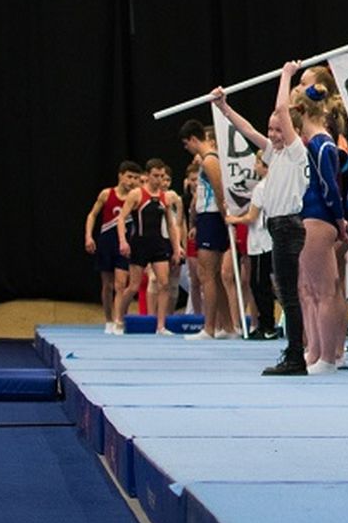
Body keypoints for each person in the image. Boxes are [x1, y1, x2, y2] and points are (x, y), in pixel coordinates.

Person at [216, 62, 312, 375]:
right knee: (286, 293)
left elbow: (282, 107)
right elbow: (248, 132)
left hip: (288, 225)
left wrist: (286, 75)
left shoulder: (296, 151)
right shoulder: (276, 152)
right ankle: (295, 352)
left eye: (278, 129)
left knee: (289, 295)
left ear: (291, 129)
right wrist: (224, 107)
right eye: (271, 130)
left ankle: (296, 356)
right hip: (277, 226)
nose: (273, 134)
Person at [293, 89, 348, 372]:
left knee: (325, 291)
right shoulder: (311, 144)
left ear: (302, 111)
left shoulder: (324, 145)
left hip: (320, 218)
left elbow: (331, 188)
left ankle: (327, 357)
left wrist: (340, 221)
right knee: (310, 290)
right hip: (311, 217)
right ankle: (314, 351)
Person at [180, 120, 238, 340]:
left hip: (212, 217)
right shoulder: (209, 159)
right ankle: (228, 327)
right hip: (208, 217)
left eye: (187, 144)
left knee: (207, 275)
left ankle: (209, 328)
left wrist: (224, 217)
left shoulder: (210, 159)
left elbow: (219, 188)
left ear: (194, 139)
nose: (188, 149)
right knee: (212, 275)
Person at [115, 160, 186, 333]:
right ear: (146, 176)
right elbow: (121, 219)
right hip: (139, 243)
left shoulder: (165, 197)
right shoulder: (136, 194)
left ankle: (160, 325)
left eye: (162, 176)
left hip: (159, 243)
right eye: (155, 176)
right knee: (133, 286)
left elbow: (171, 224)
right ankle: (119, 319)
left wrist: (176, 248)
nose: (159, 180)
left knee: (164, 284)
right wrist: (123, 241)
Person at [85, 162, 141, 332]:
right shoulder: (107, 194)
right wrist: (88, 236)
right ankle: (109, 319)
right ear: (120, 175)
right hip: (106, 243)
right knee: (107, 286)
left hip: (124, 244)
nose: (131, 181)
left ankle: (119, 319)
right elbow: (92, 214)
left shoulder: (136, 197)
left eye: (135, 178)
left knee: (121, 284)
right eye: (129, 177)